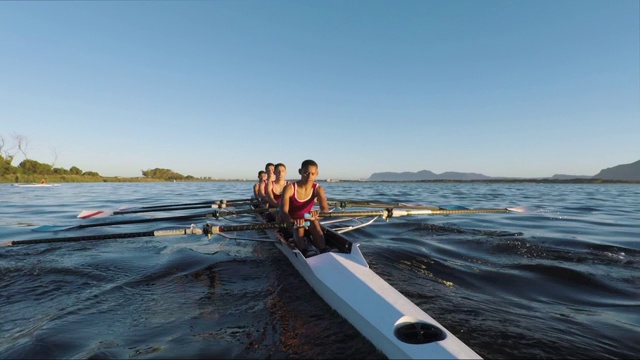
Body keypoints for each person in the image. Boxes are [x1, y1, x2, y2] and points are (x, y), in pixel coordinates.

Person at [280, 159, 331, 257]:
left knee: (314, 221)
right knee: (299, 226)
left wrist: (318, 216)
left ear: (317, 173)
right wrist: (292, 222)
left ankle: (323, 249)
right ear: (300, 172)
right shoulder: (289, 188)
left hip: (306, 218)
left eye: (312, 174)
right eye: (306, 173)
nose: (309, 177)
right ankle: (303, 251)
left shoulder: (318, 189)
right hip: (290, 220)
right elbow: (283, 211)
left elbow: (325, 210)